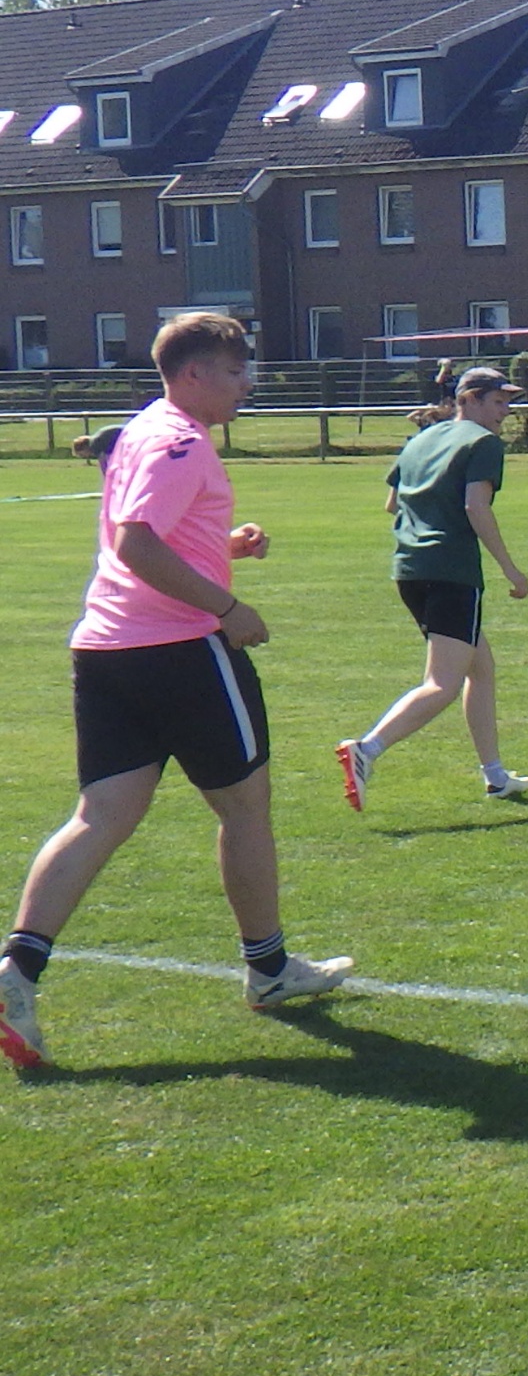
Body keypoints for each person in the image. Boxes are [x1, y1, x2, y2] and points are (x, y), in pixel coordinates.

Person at [0, 314, 352, 1070]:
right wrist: (228, 607)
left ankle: (15, 973)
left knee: (100, 817)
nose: (247, 382)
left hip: (106, 650)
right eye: (235, 370)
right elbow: (136, 542)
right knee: (245, 805)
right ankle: (268, 967)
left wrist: (221, 549)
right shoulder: (182, 441)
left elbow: (144, 534)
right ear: (192, 373)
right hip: (181, 651)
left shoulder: (141, 430)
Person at [334, 367, 528, 812]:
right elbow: (475, 507)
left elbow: (392, 503)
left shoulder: (421, 438)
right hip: (452, 572)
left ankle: (496, 777)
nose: (505, 412)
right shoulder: (483, 444)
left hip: (409, 569)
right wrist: (510, 569)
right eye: (499, 402)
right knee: (442, 683)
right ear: (471, 400)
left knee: (480, 668)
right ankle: (366, 750)